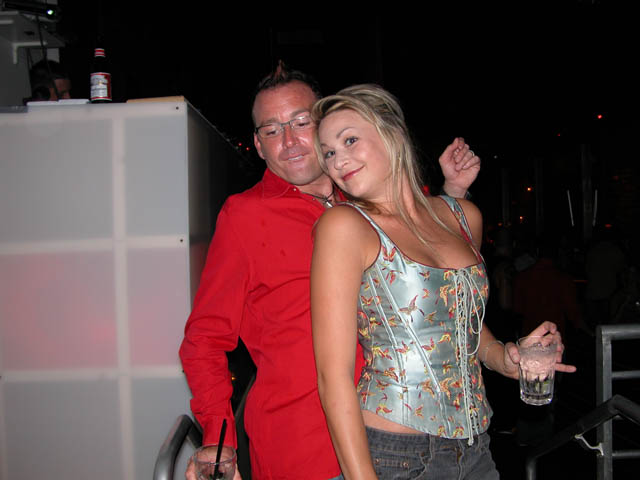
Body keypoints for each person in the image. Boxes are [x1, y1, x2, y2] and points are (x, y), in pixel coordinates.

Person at [179, 64, 481, 480]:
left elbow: (430, 282)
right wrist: (218, 437)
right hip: (307, 449)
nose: (289, 141)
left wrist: (453, 194)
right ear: (258, 145)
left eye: (301, 122)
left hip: (403, 440)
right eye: (272, 130)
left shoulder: (371, 198)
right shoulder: (244, 217)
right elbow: (205, 338)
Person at [310, 84, 575, 479]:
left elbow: (462, 327)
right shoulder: (344, 226)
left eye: (349, 140)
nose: (338, 160)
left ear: (393, 133)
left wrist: (505, 358)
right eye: (329, 152)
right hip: (395, 453)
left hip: (476, 448)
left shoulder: (463, 215)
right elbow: (332, 378)